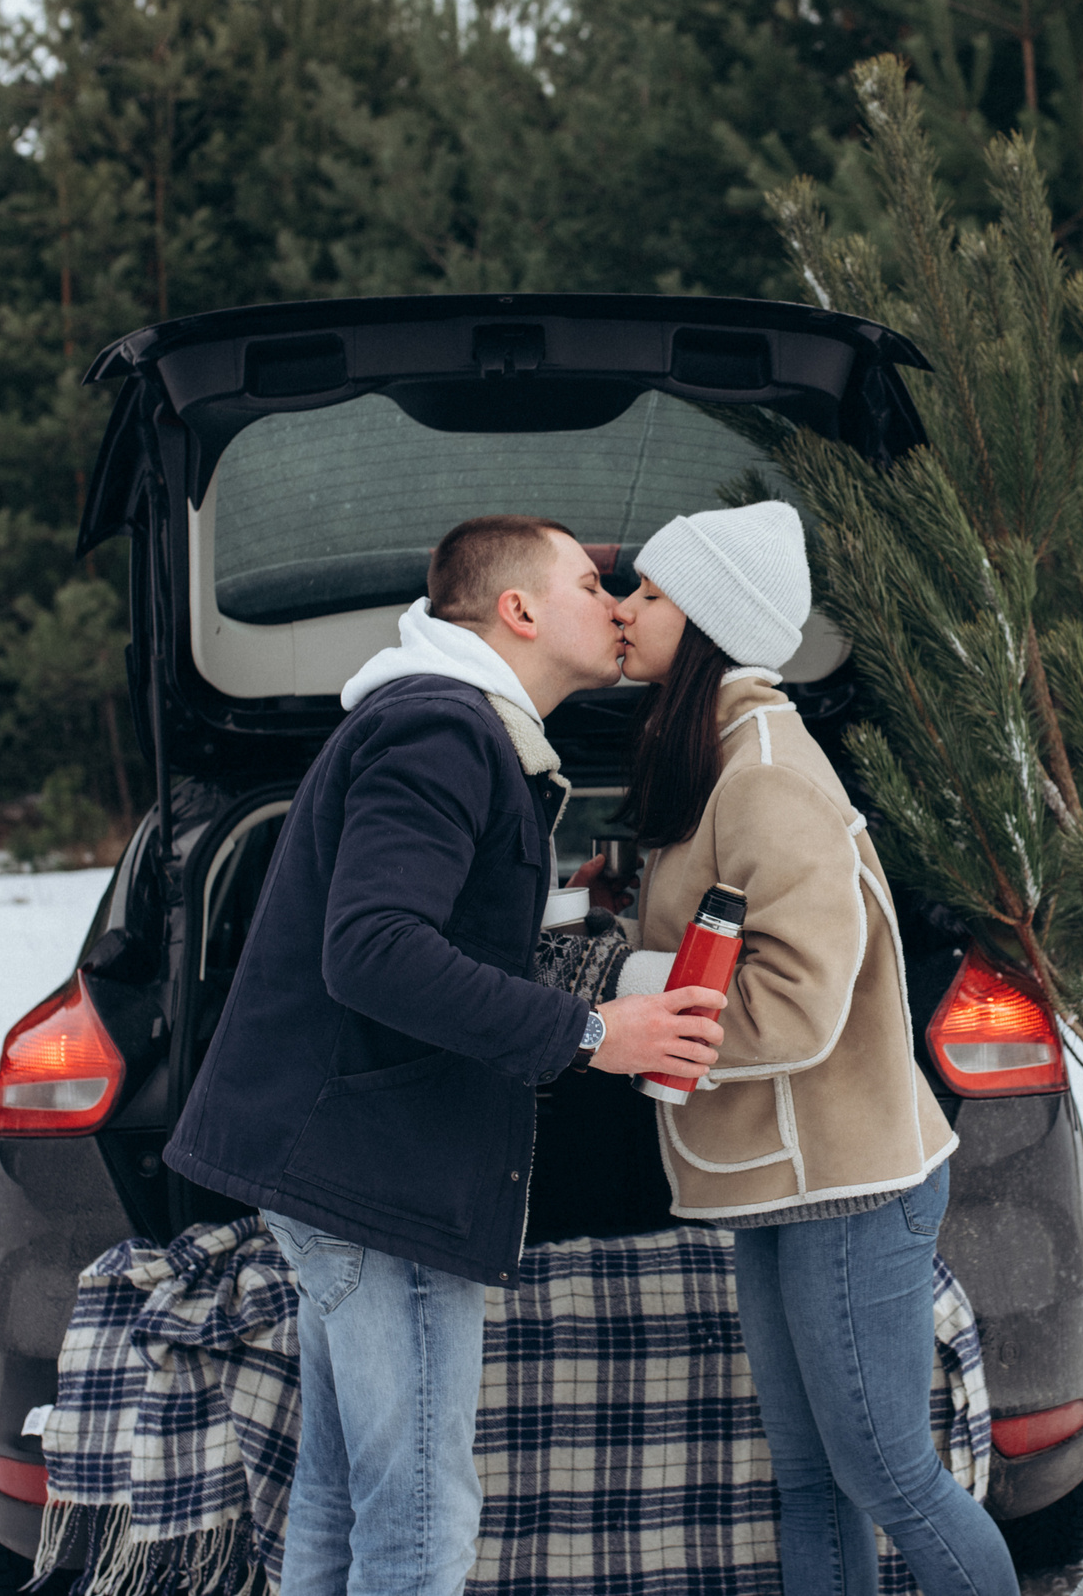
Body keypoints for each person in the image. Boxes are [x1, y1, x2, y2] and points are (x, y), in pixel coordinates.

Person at [163, 515, 728, 1596]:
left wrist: (576, 949)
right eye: (587, 582)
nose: (615, 604)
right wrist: (592, 1034)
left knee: (341, 1496)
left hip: (356, 1162)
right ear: (518, 610)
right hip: (375, 1174)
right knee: (420, 1520)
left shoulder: (453, 727)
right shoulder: (443, 731)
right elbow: (374, 949)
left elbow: (433, 932)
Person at [601, 499, 1021, 1596]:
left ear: (706, 622)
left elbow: (797, 1003)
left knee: (885, 1468)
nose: (623, 606)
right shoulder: (718, 755)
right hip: (781, 1181)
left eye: (648, 591)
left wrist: (642, 1016)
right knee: (810, 1473)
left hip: (845, 1180)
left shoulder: (767, 777)